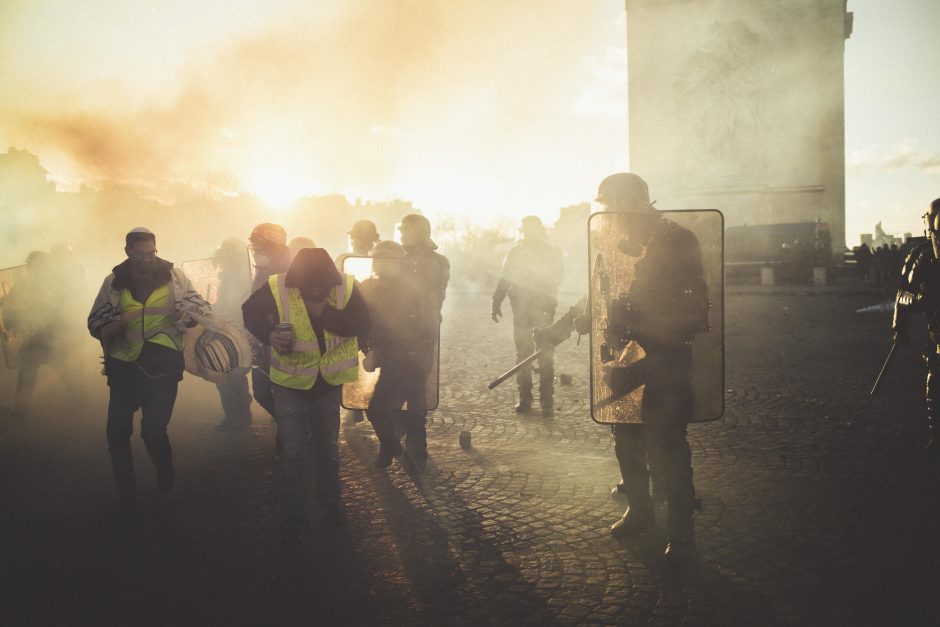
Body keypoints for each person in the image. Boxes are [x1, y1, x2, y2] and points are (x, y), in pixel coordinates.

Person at [536, 173, 705, 564]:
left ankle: (682, 536)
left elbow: (695, 304)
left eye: (612, 207)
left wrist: (643, 315)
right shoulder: (613, 243)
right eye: (606, 208)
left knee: (669, 448)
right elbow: (594, 295)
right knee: (626, 440)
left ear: (633, 204)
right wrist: (557, 331)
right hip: (624, 361)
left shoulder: (677, 240)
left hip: (666, 362)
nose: (609, 215)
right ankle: (640, 510)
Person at [242, 247, 368, 550]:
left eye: (319, 287)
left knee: (327, 449)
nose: (313, 291)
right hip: (289, 383)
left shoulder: (347, 287)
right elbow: (250, 311)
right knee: (294, 453)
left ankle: (331, 506)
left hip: (327, 384)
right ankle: (294, 520)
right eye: (308, 287)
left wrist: (322, 312)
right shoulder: (278, 286)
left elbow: (361, 325)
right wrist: (269, 334)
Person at [87, 228, 215, 509]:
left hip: (163, 366)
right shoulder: (113, 282)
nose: (148, 259)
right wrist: (109, 328)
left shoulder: (176, 278)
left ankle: (164, 468)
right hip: (124, 367)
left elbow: (200, 308)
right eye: (141, 254)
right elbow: (94, 320)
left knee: (153, 430)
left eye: (152, 253)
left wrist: (188, 318)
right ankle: (126, 492)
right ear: (128, 253)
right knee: (117, 432)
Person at [360, 241, 436, 468]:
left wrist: (376, 350)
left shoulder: (411, 288)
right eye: (377, 259)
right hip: (396, 359)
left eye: (384, 259)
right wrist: (369, 349)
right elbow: (364, 322)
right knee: (386, 410)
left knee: (409, 410)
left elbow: (419, 325)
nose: (379, 264)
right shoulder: (370, 287)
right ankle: (392, 446)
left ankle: (408, 451)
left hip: (410, 357)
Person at [491, 216, 564, 416]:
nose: (529, 233)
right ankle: (525, 398)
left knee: (545, 354)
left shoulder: (551, 253)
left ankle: (547, 401)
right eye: (526, 229)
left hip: (543, 309)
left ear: (539, 230)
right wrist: (496, 301)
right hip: (521, 310)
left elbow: (557, 278)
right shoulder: (515, 253)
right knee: (523, 354)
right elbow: (505, 278)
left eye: (532, 229)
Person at [396, 213, 449, 469]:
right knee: (394, 385)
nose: (402, 233)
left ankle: (417, 447)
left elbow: (433, 294)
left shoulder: (437, 262)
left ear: (419, 231)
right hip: (395, 331)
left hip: (422, 332)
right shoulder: (395, 257)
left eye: (406, 229)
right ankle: (402, 432)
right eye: (401, 229)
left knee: (417, 387)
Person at [893, 198, 940, 461]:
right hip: (938, 334)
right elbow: (902, 295)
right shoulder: (921, 256)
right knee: (936, 384)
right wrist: (901, 325)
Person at [2, 251, 60, 418]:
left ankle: (80, 400)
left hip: (52, 333)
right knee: (27, 372)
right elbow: (11, 308)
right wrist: (12, 324)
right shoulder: (24, 286)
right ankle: (21, 409)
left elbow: (64, 308)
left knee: (65, 368)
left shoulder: (54, 284)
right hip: (36, 335)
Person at [334, 220, 379, 424]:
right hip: (350, 316)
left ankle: (370, 404)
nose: (355, 241)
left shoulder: (380, 259)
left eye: (359, 238)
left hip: (376, 318)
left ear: (370, 240)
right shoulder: (343, 260)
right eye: (353, 237)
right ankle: (354, 405)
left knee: (373, 363)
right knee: (348, 362)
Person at [247, 223, 292, 418]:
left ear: (274, 248)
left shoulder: (287, 274)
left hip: (281, 342)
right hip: (262, 342)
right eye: (254, 245)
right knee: (262, 393)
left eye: (260, 245)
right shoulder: (262, 270)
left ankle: (294, 431)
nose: (256, 250)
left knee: (280, 393)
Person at [212, 237, 253, 431]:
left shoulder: (247, 278)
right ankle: (234, 416)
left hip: (242, 332)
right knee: (225, 376)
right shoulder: (227, 279)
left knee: (234, 376)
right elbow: (222, 304)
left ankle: (240, 417)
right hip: (226, 332)